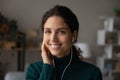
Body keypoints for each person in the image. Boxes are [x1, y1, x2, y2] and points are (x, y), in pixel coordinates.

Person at [25, 5, 102, 80]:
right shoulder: (34, 70)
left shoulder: (93, 74)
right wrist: (47, 67)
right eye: (48, 31)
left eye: (61, 32)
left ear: (73, 35)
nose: (53, 39)